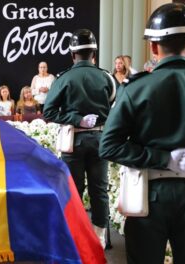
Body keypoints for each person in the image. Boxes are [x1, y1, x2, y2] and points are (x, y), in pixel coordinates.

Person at [99, 4, 185, 263]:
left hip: (148, 196)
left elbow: (109, 146)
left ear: (153, 46)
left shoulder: (135, 89)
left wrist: (162, 159)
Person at [43, 29, 116, 248]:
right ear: (94, 52)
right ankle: (100, 240)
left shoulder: (64, 78)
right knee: (99, 192)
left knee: (73, 191)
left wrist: (76, 119)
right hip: (100, 141)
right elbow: (117, 109)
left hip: (73, 142)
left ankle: (73, 238)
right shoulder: (107, 77)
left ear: (72, 54)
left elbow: (49, 112)